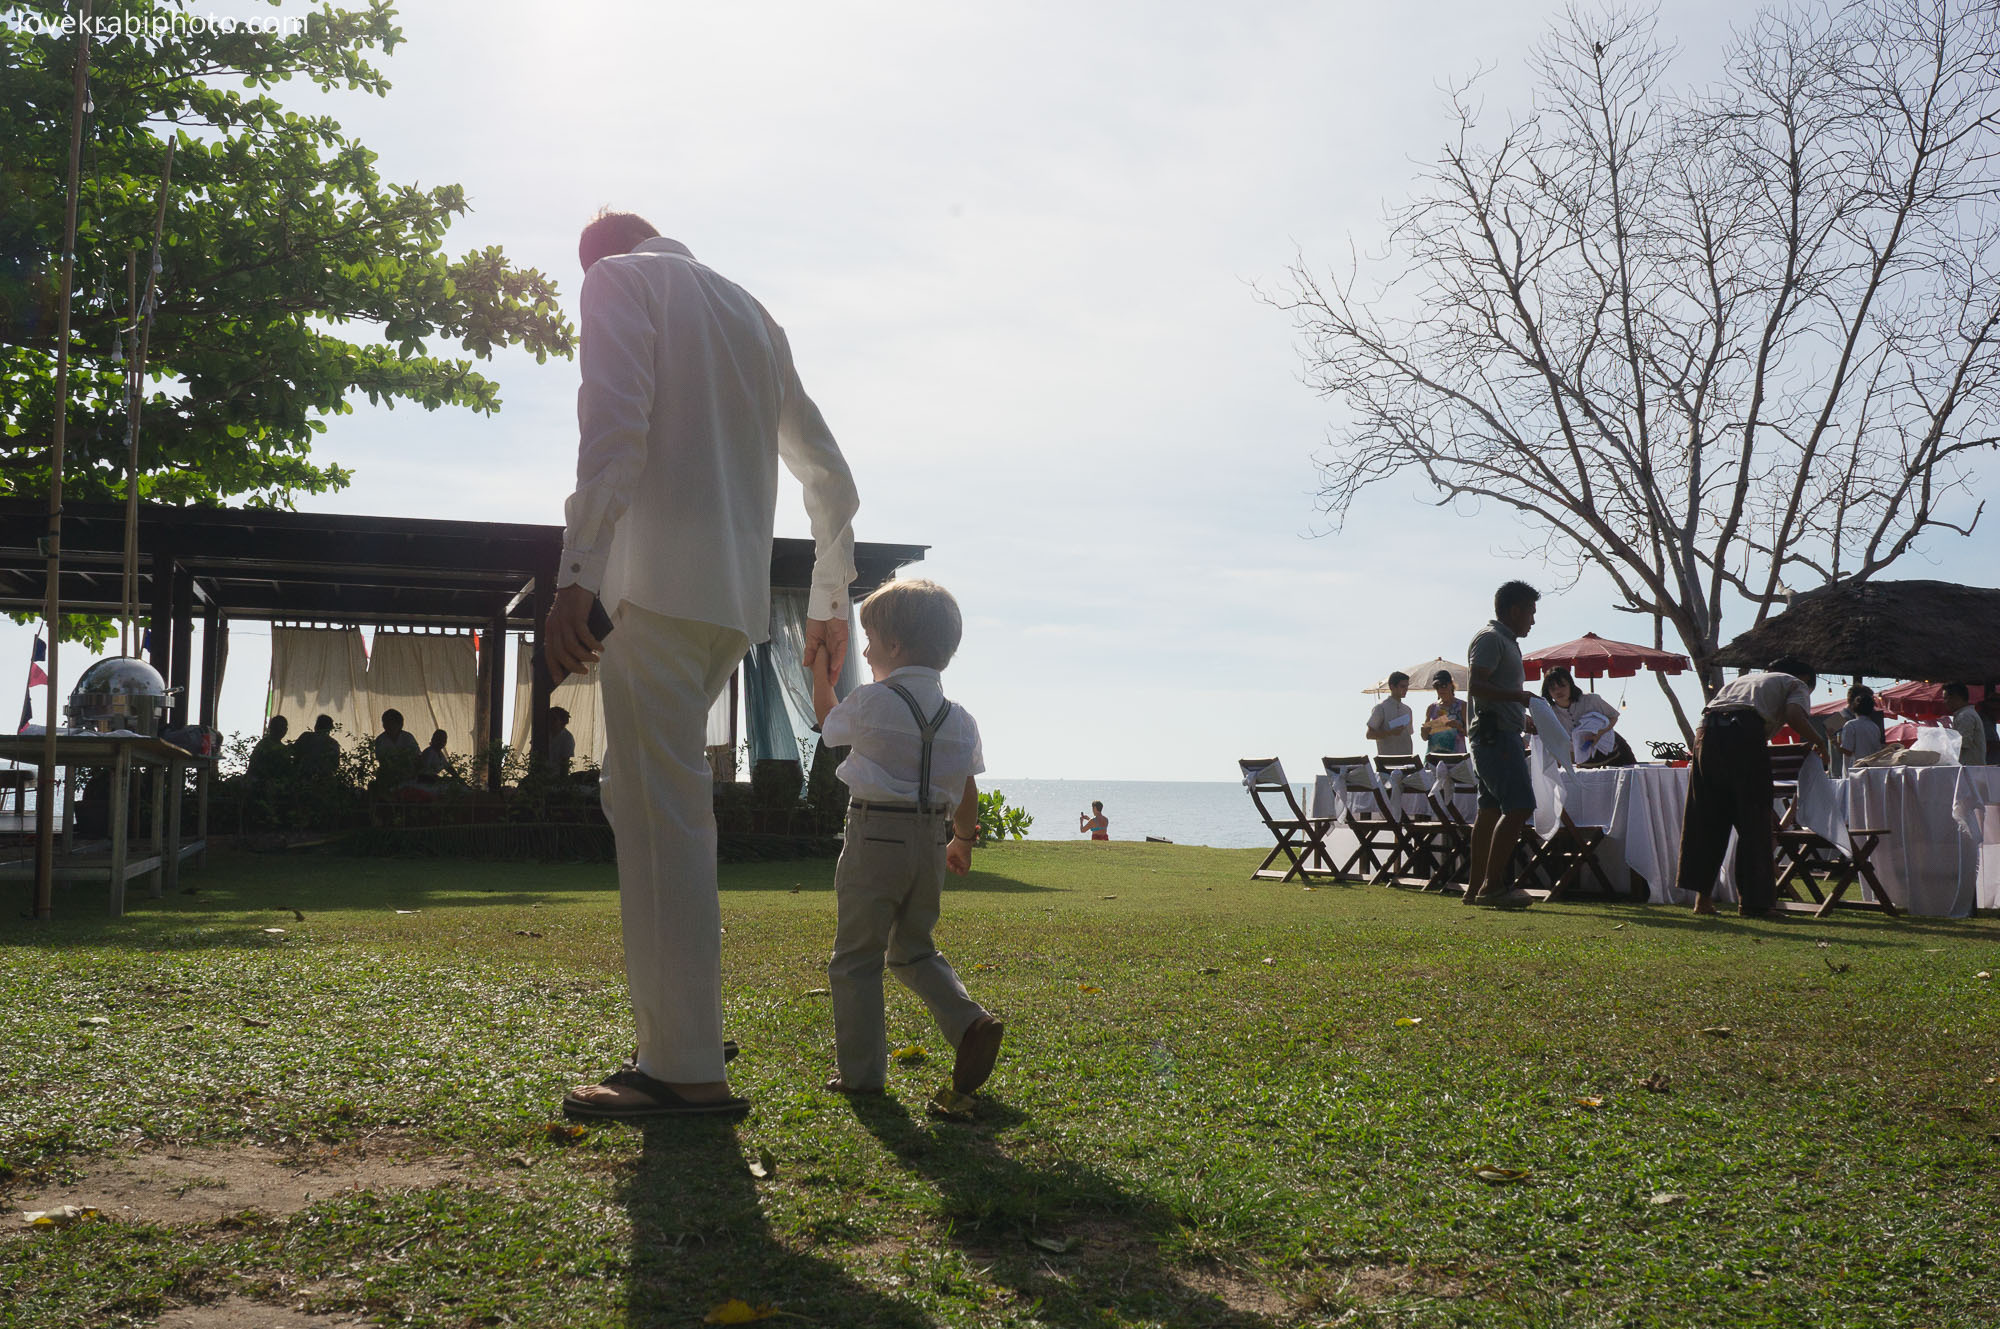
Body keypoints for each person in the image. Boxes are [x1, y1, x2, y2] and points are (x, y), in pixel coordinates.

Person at [551, 210, 859, 1120]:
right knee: (650, 803)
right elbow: (831, 478)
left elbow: (613, 435)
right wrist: (827, 601)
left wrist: (576, 576)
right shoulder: (755, 317)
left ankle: (683, 1063)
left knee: (661, 820)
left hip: (656, 589)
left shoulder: (618, 282)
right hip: (730, 602)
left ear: (596, 258)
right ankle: (676, 1034)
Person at [808, 578, 1004, 1098]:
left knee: (857, 957)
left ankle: (862, 1075)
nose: (866, 649)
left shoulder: (873, 701)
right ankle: (969, 1022)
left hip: (875, 835)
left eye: (869, 639)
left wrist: (821, 675)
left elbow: (828, 722)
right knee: (914, 950)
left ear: (894, 647)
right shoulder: (961, 720)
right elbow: (966, 787)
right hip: (930, 844)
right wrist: (961, 840)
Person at [1675, 657, 1831, 920]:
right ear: (1807, 680)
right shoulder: (1796, 684)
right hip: (1744, 736)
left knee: (1707, 818)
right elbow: (1794, 716)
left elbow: (1707, 718)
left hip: (1706, 738)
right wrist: (1820, 742)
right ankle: (1754, 904)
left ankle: (1702, 900)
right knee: (1754, 822)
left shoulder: (1742, 682)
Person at [1464, 582, 1540, 909]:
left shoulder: (1506, 642)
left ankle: (1474, 888)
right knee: (1520, 806)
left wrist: (1521, 718)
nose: (1533, 621)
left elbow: (1492, 691)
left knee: (1489, 810)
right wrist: (1520, 698)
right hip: (1495, 738)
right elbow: (1478, 686)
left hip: (1499, 732)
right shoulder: (1491, 638)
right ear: (1514, 610)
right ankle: (1492, 886)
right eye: (1531, 612)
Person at [1541, 666, 1634, 767]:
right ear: (1548, 691)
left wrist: (1599, 733)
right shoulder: (1550, 714)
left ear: (1570, 685)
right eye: (1553, 688)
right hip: (1585, 759)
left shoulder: (1591, 699)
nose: (1558, 691)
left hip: (1614, 750)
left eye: (1562, 686)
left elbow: (1613, 716)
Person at [1420, 670, 1467, 764]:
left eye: (1444, 685)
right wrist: (1424, 731)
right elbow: (1425, 737)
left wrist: (1458, 727)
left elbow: (1470, 733)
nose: (1441, 689)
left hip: (1456, 757)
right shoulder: (1432, 708)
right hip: (1434, 758)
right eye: (1437, 687)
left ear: (1451, 684)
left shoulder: (1462, 706)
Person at [1366, 672, 1415, 756]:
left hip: (1406, 758)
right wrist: (1390, 733)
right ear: (1392, 687)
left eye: (1407, 686)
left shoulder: (1407, 709)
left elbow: (1409, 733)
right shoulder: (1381, 708)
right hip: (1387, 760)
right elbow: (1369, 734)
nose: (1406, 689)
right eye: (1402, 686)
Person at [1838, 686, 1886, 768]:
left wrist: (1834, 742)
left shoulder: (1850, 724)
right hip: (1867, 769)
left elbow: (1847, 751)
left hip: (1856, 769)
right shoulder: (1874, 726)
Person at [372, 709, 422, 787]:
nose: (386, 725)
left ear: (399, 724)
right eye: (385, 722)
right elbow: (381, 759)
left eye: (390, 722)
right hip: (388, 777)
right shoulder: (381, 739)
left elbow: (416, 755)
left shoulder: (407, 737)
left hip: (409, 775)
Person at [1945, 683, 1986, 765]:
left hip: (1969, 769)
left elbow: (1963, 742)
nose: (1945, 702)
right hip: (1971, 768)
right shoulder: (1966, 714)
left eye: (1946, 698)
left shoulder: (1965, 715)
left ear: (1956, 697)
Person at [247, 715, 291, 788]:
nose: (281, 730)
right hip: (259, 784)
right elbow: (255, 766)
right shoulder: (263, 744)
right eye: (278, 727)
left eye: (283, 727)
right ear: (271, 728)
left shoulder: (284, 749)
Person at [292, 713, 340, 782]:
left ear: (317, 725)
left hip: (301, 778)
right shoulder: (333, 744)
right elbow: (335, 766)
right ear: (330, 728)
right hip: (323, 781)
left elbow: (294, 752)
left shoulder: (306, 736)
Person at [547, 707, 577, 776]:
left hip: (555, 778)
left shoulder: (567, 738)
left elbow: (565, 765)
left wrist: (561, 783)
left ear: (562, 723)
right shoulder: (542, 733)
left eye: (554, 719)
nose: (550, 721)